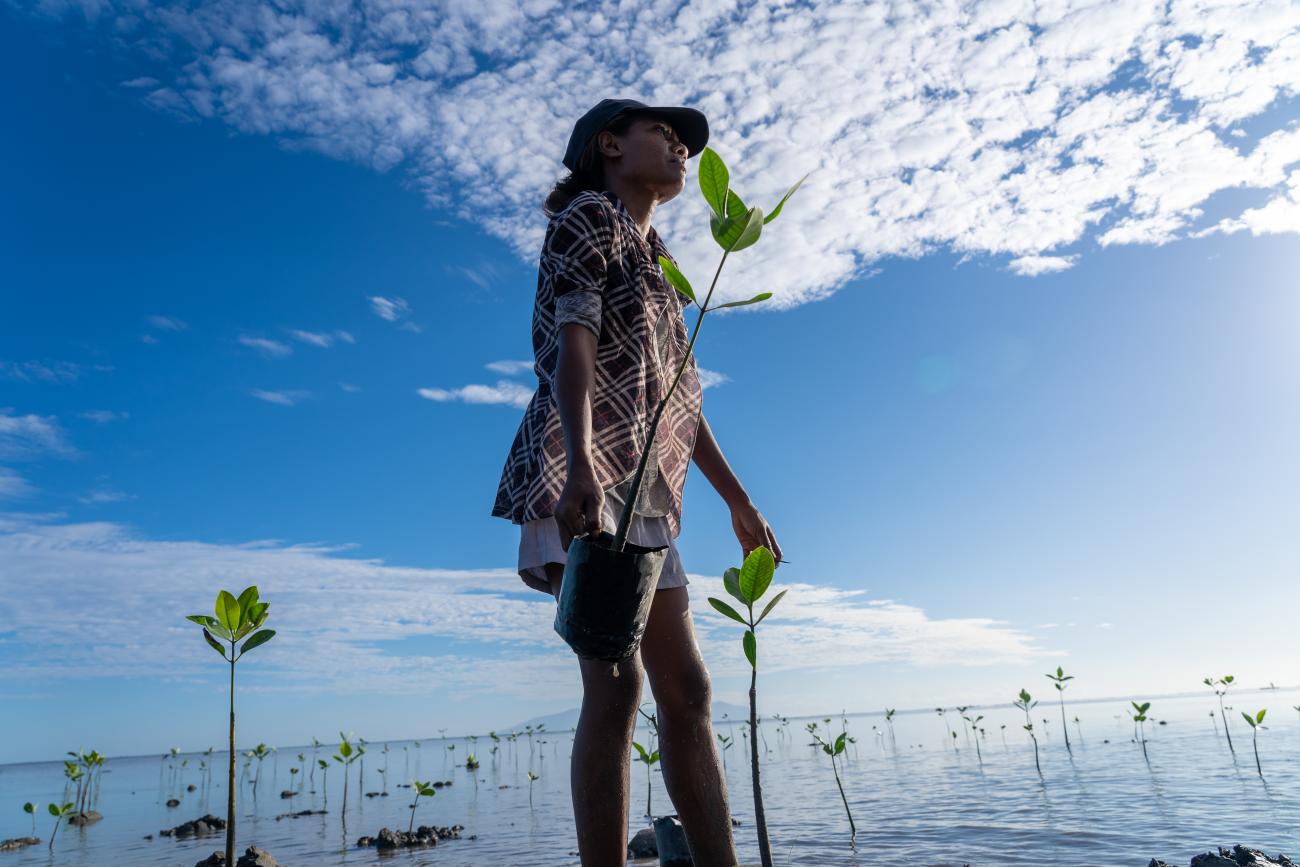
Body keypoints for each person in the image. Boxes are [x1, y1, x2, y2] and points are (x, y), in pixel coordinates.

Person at [491, 98, 784, 867]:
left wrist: (738, 498)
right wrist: (582, 466)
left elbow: (680, 395)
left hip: (651, 489)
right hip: (586, 473)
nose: (683, 145)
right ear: (611, 144)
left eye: (688, 141)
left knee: (687, 692)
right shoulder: (588, 216)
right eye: (666, 132)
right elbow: (573, 343)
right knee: (615, 693)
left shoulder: (662, 264)